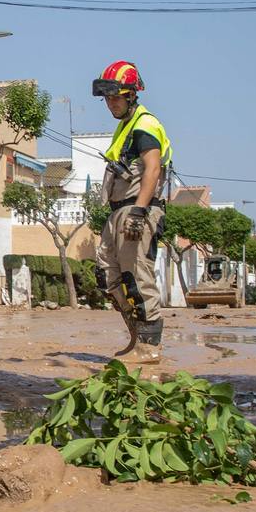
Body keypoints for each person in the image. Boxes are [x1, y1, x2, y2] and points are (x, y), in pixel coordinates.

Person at [92, 61, 173, 366]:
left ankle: (150, 346)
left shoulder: (145, 124)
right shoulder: (125, 127)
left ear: (131, 95)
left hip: (135, 210)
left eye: (116, 97)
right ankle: (136, 338)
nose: (111, 103)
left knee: (137, 276)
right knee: (109, 277)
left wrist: (139, 210)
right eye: (107, 98)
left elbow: (152, 168)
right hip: (117, 213)